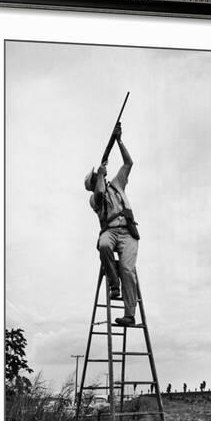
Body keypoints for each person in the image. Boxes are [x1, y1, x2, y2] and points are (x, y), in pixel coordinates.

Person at [84, 122, 139, 326]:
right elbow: (99, 193)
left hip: (128, 232)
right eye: (96, 177)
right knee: (104, 245)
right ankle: (113, 285)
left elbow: (128, 163)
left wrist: (118, 141)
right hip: (111, 232)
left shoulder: (116, 184)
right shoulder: (93, 199)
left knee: (127, 270)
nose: (100, 177)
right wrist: (102, 172)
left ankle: (129, 315)